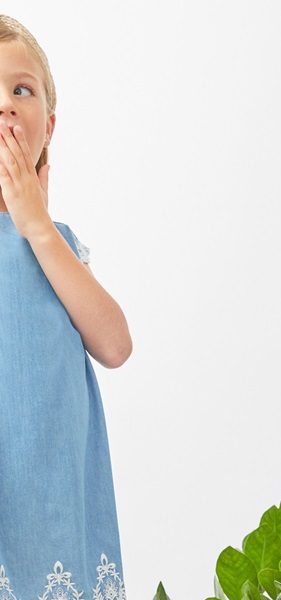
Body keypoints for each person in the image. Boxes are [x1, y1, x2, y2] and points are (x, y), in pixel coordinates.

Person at [0, 14, 132, 599]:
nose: (5, 106)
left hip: (52, 494)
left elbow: (115, 345)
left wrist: (38, 228)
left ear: (47, 125)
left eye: (20, 90)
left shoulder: (60, 243)